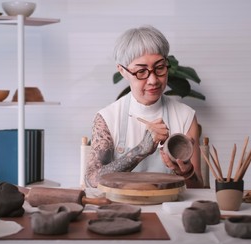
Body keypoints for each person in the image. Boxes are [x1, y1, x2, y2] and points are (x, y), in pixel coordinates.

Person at [85, 25, 204, 189]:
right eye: (141, 72)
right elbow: (92, 180)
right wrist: (141, 150)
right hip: (123, 210)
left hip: (168, 209)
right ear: (122, 71)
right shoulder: (107, 117)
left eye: (160, 68)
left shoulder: (185, 116)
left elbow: (198, 188)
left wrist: (186, 172)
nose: (153, 80)